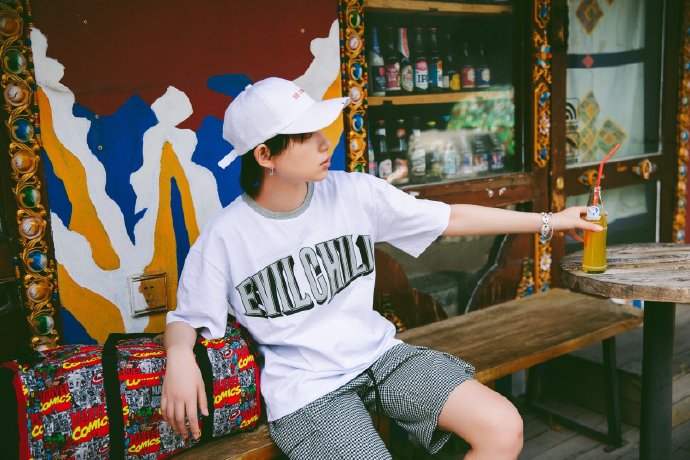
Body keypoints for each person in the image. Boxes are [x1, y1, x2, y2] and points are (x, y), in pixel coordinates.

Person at [161, 77, 603, 459]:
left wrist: (552, 220)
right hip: (308, 390)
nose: (325, 142)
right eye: (306, 135)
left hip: (381, 355)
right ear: (265, 156)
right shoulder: (226, 236)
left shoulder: (354, 193)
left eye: (320, 129)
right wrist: (179, 357)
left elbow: (451, 219)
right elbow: (187, 317)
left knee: (502, 427)